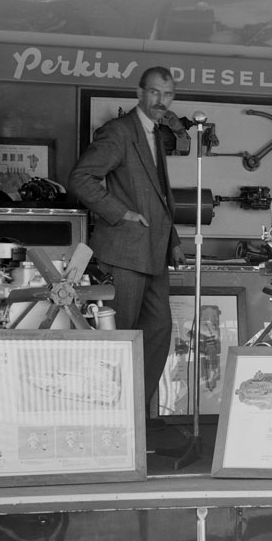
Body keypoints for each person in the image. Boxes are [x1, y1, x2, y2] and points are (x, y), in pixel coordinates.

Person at [69, 66, 185, 418]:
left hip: (154, 254)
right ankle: (107, 419)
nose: (160, 101)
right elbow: (81, 179)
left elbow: (159, 198)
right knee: (118, 340)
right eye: (154, 92)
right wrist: (121, 214)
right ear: (139, 93)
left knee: (158, 333)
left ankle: (131, 412)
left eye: (167, 94)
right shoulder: (119, 132)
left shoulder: (154, 134)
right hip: (122, 253)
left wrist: (174, 241)